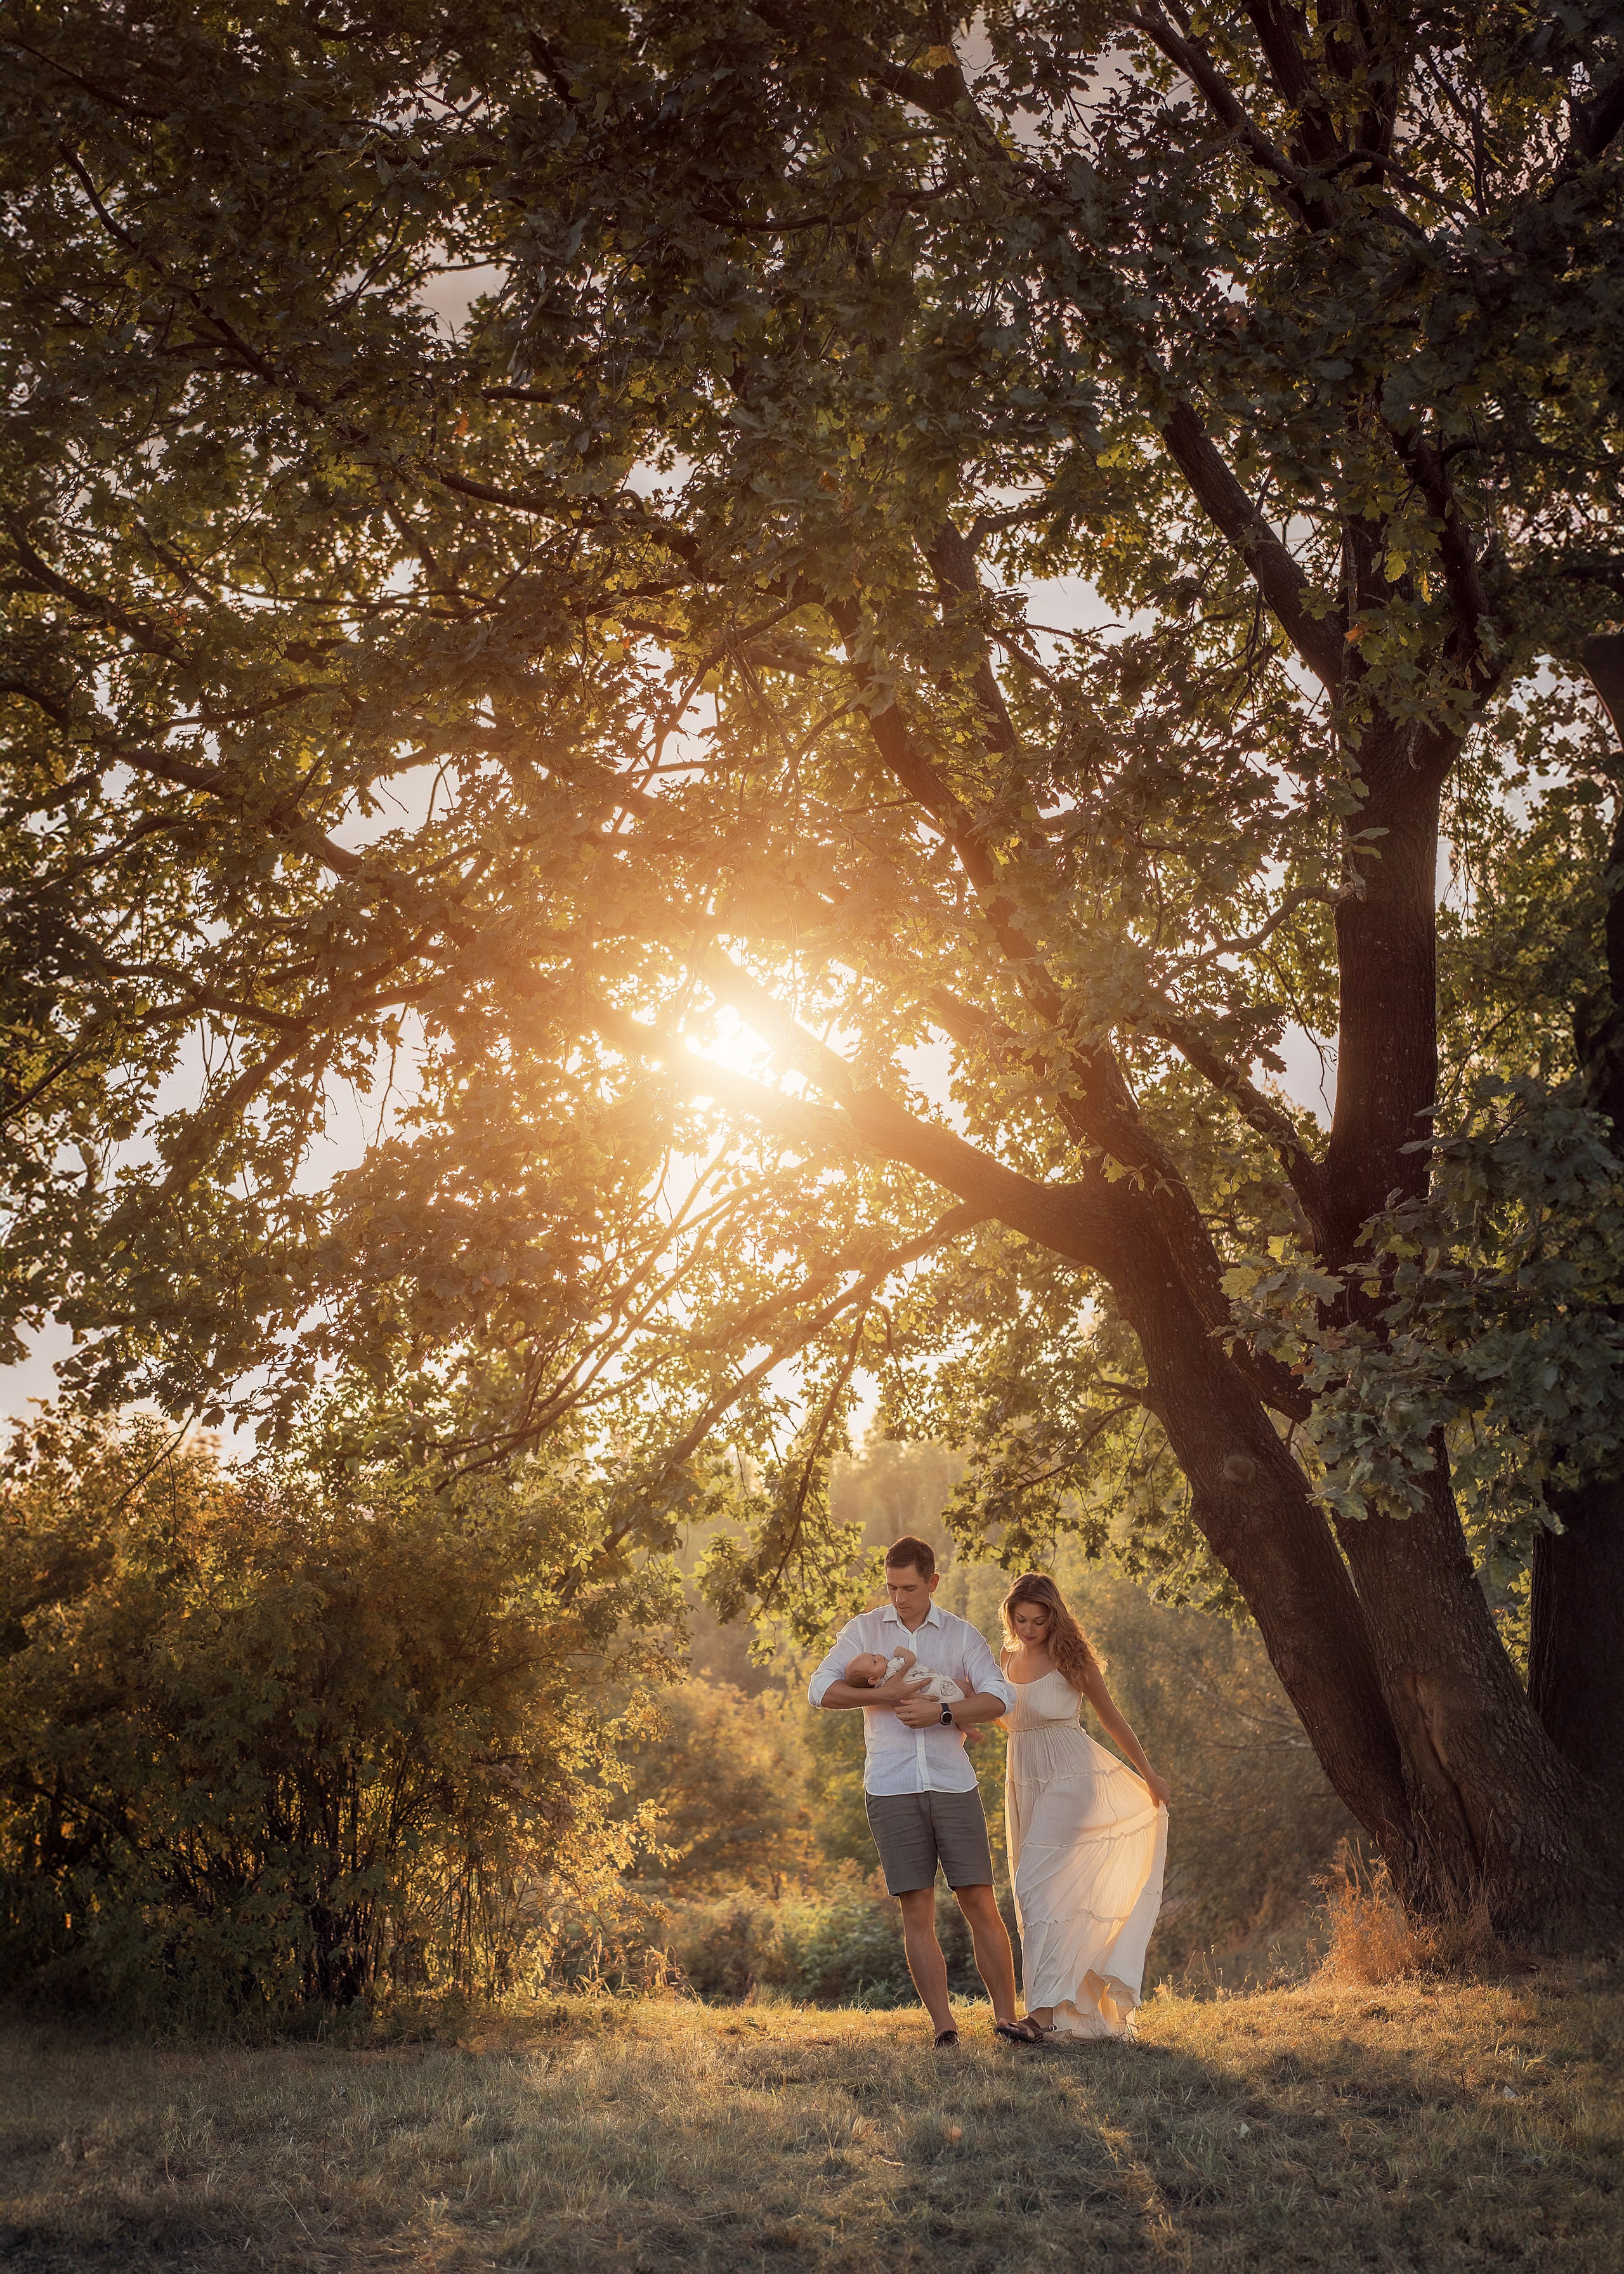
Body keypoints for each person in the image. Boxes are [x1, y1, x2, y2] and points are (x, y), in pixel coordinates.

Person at [808, 1537, 1038, 2047]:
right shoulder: (863, 1630)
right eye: (891, 1588)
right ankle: (945, 2028)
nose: (898, 1599)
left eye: (908, 1588)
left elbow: (1001, 1694)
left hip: (953, 1783)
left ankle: (1006, 2018)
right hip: (890, 1787)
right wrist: (885, 1694)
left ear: (932, 1582)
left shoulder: (960, 1635)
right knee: (917, 1908)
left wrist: (945, 1713)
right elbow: (819, 1689)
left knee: (980, 1900)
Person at [1000, 1572, 1170, 2040]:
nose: (1030, 1629)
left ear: (1054, 1617)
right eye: (1021, 1620)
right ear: (1010, 1618)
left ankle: (1042, 2018)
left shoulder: (1072, 1660)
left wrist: (1149, 1774)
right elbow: (1007, 1719)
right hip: (1023, 1780)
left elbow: (1112, 1719)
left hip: (1072, 1779)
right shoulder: (1004, 1660)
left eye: (1039, 1620)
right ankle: (1057, 2012)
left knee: (1036, 1887)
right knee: (1038, 1895)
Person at [842, 1643, 964, 1703]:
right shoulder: (891, 1667)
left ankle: (966, 1728)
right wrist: (899, 1650)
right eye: (874, 1662)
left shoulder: (882, 1688)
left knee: (955, 1707)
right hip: (939, 1684)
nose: (879, 1657)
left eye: (874, 1655)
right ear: (873, 1680)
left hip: (935, 1699)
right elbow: (911, 1660)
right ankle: (968, 1723)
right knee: (966, 1688)